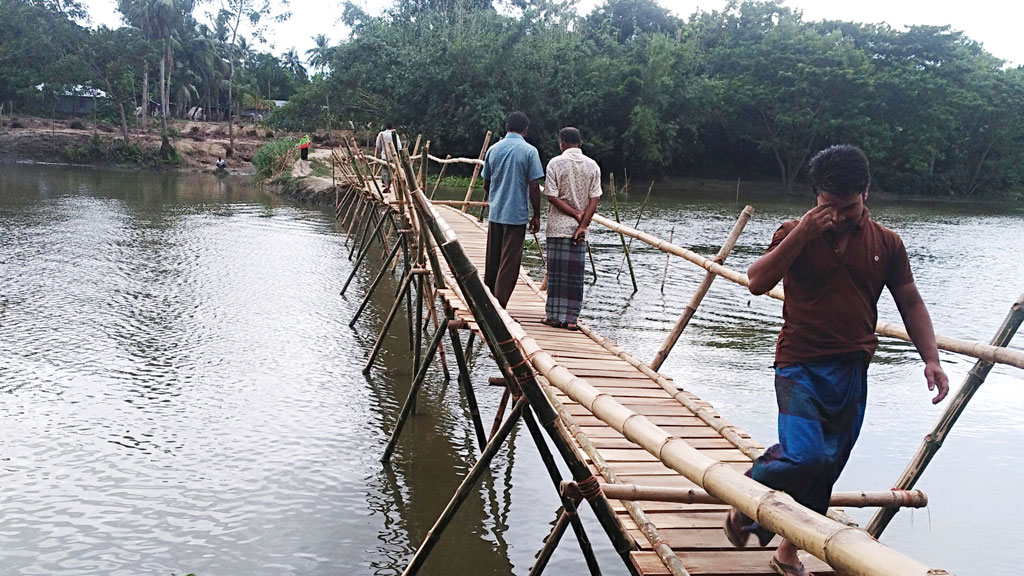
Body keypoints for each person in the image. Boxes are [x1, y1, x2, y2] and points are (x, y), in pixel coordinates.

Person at [724, 144, 949, 576]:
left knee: (827, 465)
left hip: (852, 369)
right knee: (805, 455)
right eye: (829, 206)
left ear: (865, 192)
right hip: (799, 364)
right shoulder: (793, 232)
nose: (840, 216)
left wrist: (931, 359)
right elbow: (756, 281)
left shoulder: (887, 243)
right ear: (815, 197)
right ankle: (746, 497)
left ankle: (788, 553)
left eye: (848, 207)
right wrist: (805, 232)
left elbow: (910, 300)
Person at [481, 111, 544, 308]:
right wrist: (536, 215)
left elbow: (486, 182)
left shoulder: (493, 149)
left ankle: (487, 301)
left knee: (493, 260)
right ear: (525, 130)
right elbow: (534, 186)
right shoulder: (529, 152)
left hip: (496, 212)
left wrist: (495, 197)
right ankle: (499, 307)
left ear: (506, 127)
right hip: (516, 215)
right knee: (509, 264)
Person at [540, 127, 601, 331]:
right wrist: (582, 223)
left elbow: (551, 196)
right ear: (580, 144)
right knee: (575, 276)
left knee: (556, 274)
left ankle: (554, 317)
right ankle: (572, 319)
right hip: (579, 229)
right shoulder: (592, 166)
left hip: (558, 227)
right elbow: (595, 198)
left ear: (561, 143)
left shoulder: (555, 164)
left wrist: (573, 213)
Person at [374, 122, 401, 192]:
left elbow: (378, 145)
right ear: (392, 127)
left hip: (384, 155)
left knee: (385, 170)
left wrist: (382, 148)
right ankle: (389, 185)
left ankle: (386, 184)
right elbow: (399, 147)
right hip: (393, 156)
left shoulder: (381, 134)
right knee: (391, 171)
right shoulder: (395, 135)